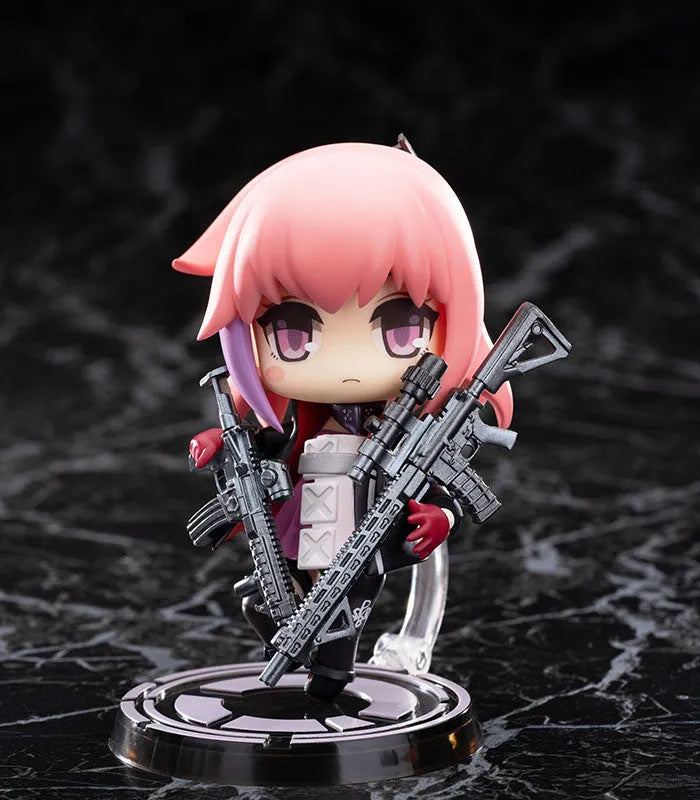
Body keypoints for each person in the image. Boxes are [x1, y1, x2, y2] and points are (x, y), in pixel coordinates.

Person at [174, 140, 513, 700]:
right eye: (294, 333)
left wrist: (443, 517)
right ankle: (301, 662)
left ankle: (329, 684)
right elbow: (267, 447)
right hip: (303, 517)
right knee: (261, 600)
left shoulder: (415, 430)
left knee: (339, 623)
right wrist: (224, 445)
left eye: (401, 329)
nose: (349, 367)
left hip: (366, 528)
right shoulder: (308, 416)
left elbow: (443, 478)